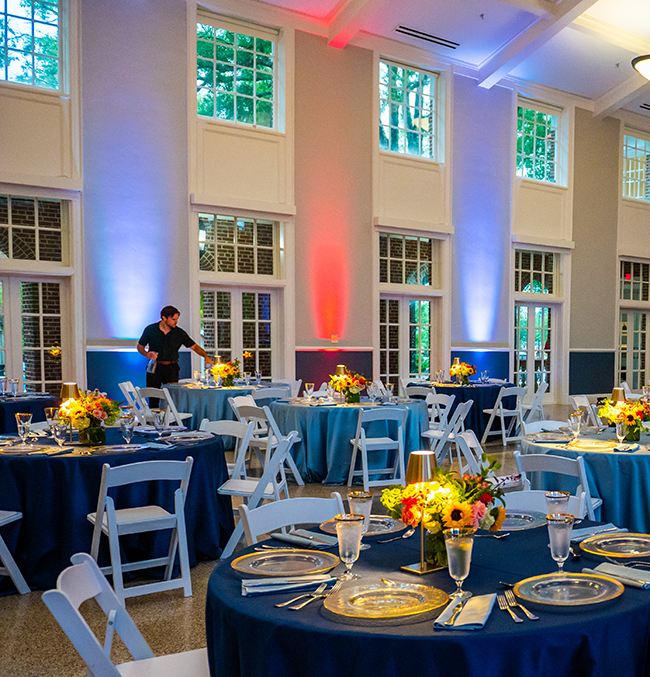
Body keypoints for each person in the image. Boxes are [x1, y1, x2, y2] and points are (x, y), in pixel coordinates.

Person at [137, 306, 214, 395]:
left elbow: (194, 347)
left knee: (172, 396)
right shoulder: (150, 330)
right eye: (173, 319)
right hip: (155, 367)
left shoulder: (179, 333)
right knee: (153, 395)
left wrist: (206, 356)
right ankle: (152, 408)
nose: (176, 322)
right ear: (164, 318)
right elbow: (140, 346)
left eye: (177, 319)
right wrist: (147, 354)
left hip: (172, 368)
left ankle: (170, 409)